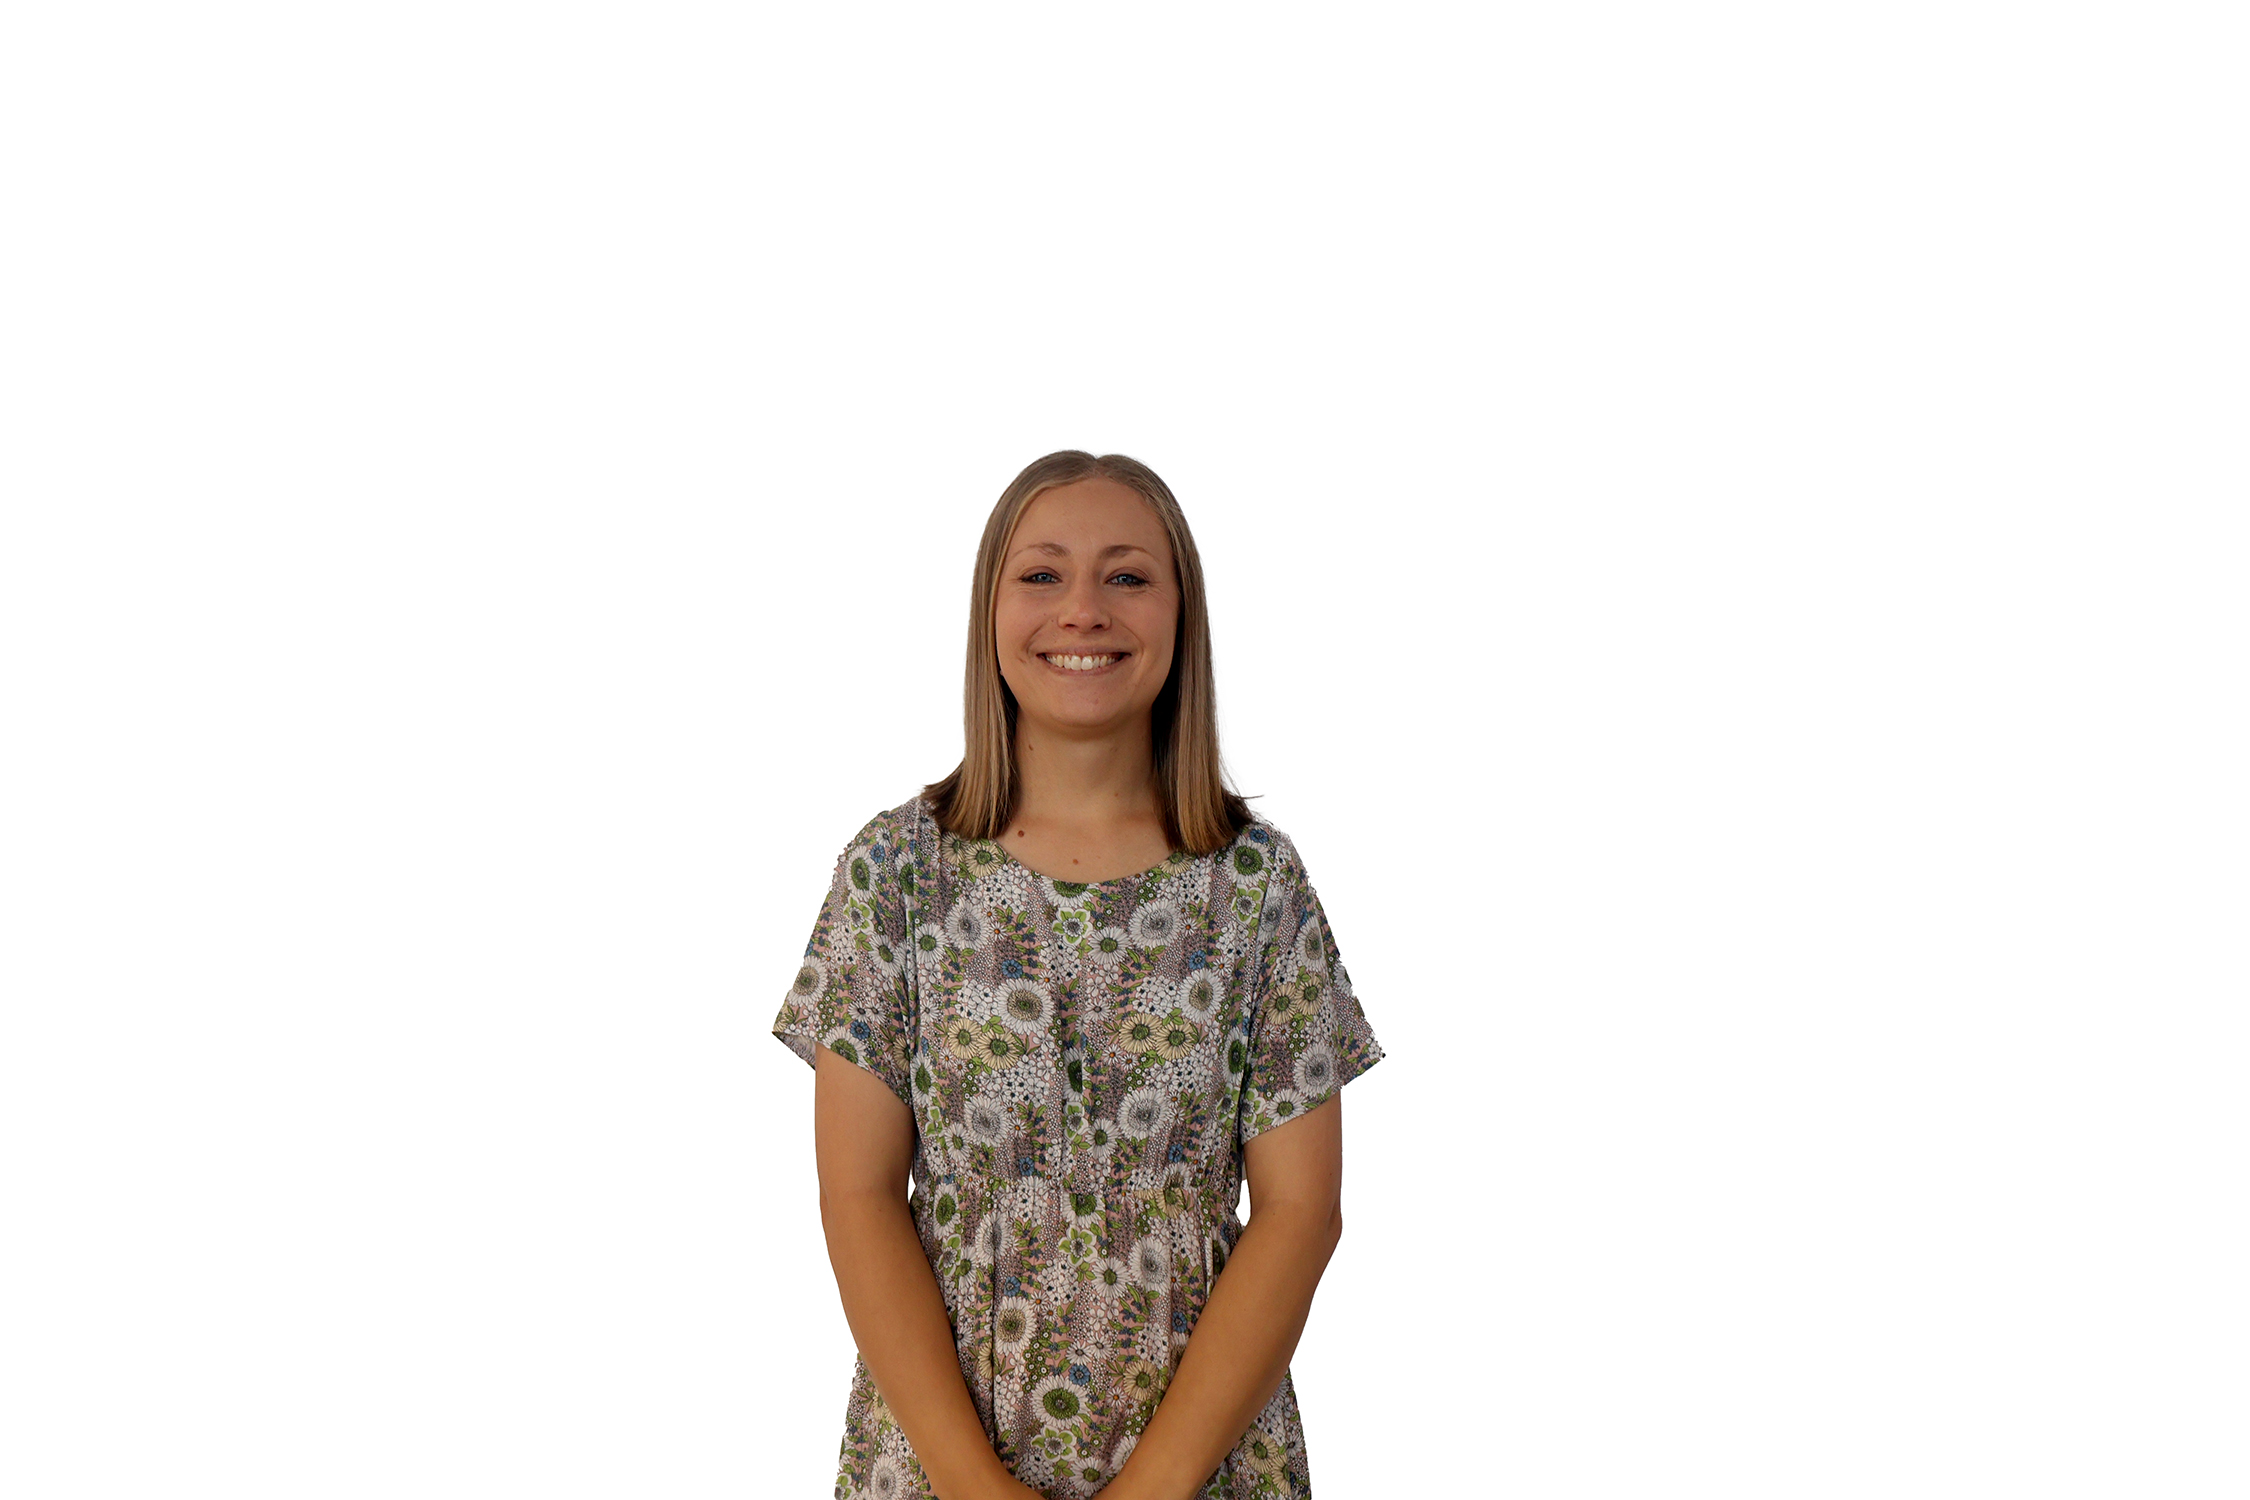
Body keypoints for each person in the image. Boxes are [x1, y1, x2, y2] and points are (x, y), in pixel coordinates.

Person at [772, 450, 1385, 1499]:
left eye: (1128, 576)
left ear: (1182, 615)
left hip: (1209, 1466)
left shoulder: (1256, 886)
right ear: (991, 610)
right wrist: (975, 1486)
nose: (1084, 610)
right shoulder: (895, 873)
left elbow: (1301, 1213)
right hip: (940, 1463)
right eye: (1043, 574)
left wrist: (1157, 1486)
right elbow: (858, 1196)